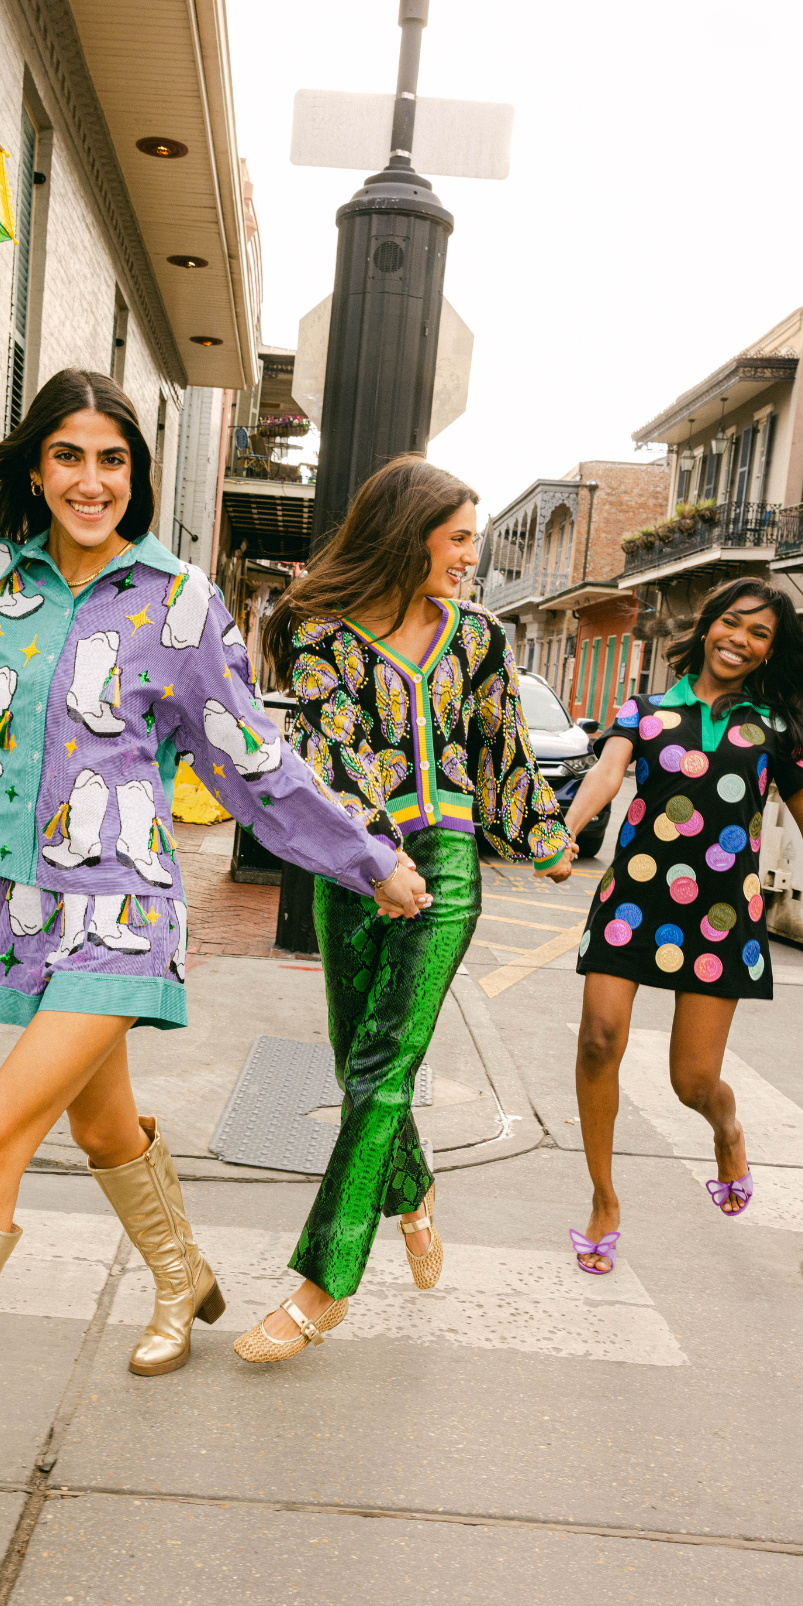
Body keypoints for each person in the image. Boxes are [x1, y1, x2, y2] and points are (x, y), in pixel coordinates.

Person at [0, 335, 430, 1570]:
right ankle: (183, 1279)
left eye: (112, 460)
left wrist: (366, 858)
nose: (90, 480)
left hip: (126, 907)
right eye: (67, 456)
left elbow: (250, 758)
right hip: (29, 911)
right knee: (100, 1122)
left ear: (137, 475)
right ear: (37, 468)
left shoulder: (178, 602)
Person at [232, 456, 576, 1364]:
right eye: (458, 538)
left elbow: (501, 746)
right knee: (355, 1054)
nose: (471, 557)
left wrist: (542, 835)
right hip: (354, 861)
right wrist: (377, 858)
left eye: (474, 541)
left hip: (448, 864)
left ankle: (324, 1283)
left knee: (386, 1062)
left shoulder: (479, 636)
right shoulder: (320, 632)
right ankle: (412, 1190)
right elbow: (333, 756)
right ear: (405, 533)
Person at [565, 579, 803, 1272]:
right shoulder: (643, 711)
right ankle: (604, 1199)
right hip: (634, 902)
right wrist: (564, 832)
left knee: (693, 1083)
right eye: (732, 622)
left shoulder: (775, 728)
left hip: (722, 914)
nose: (740, 640)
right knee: (598, 1040)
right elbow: (607, 775)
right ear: (707, 626)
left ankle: (727, 1131)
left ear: (770, 652)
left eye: (759, 634)